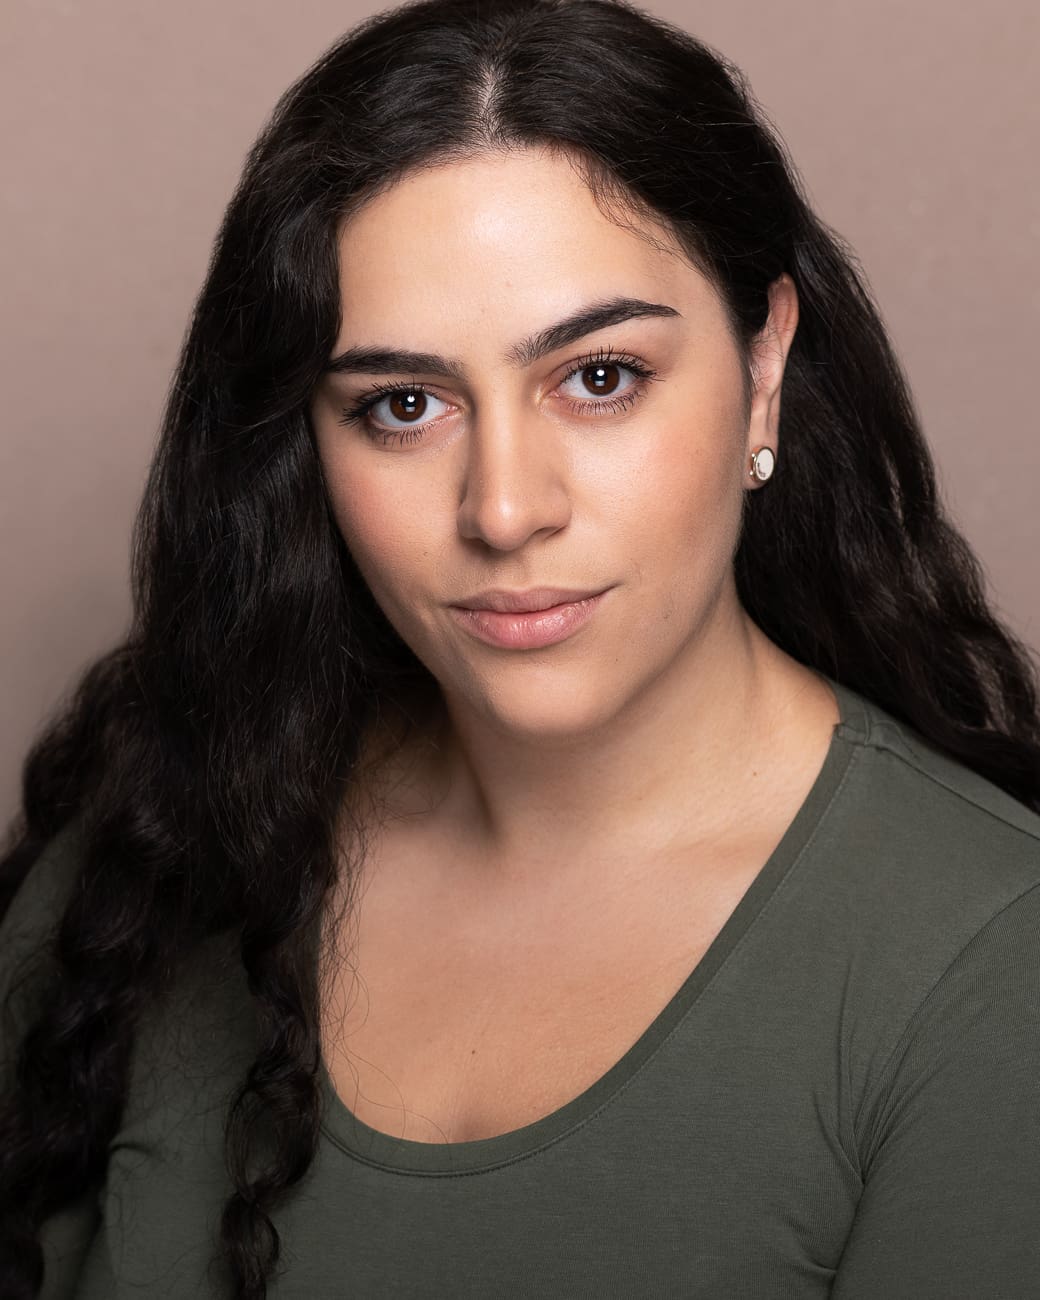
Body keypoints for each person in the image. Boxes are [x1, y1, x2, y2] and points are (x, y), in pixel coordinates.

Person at [2, 0, 1039, 1295]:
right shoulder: (155, 861)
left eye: (599, 377)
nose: (503, 508)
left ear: (762, 365)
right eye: (404, 405)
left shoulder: (992, 969)